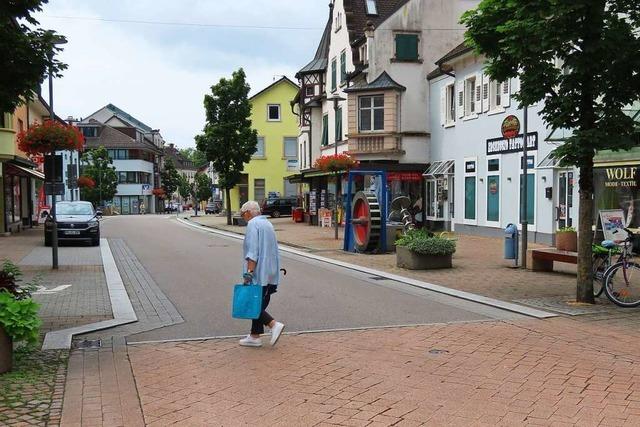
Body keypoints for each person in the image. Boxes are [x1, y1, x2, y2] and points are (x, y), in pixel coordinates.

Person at [238, 200, 285, 347]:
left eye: (242, 214)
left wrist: (249, 273)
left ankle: (273, 324)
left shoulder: (253, 224)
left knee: (251, 302)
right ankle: (254, 336)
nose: (243, 217)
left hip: (259, 271)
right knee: (261, 301)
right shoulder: (267, 223)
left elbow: (253, 251)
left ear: (247, 213)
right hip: (271, 270)